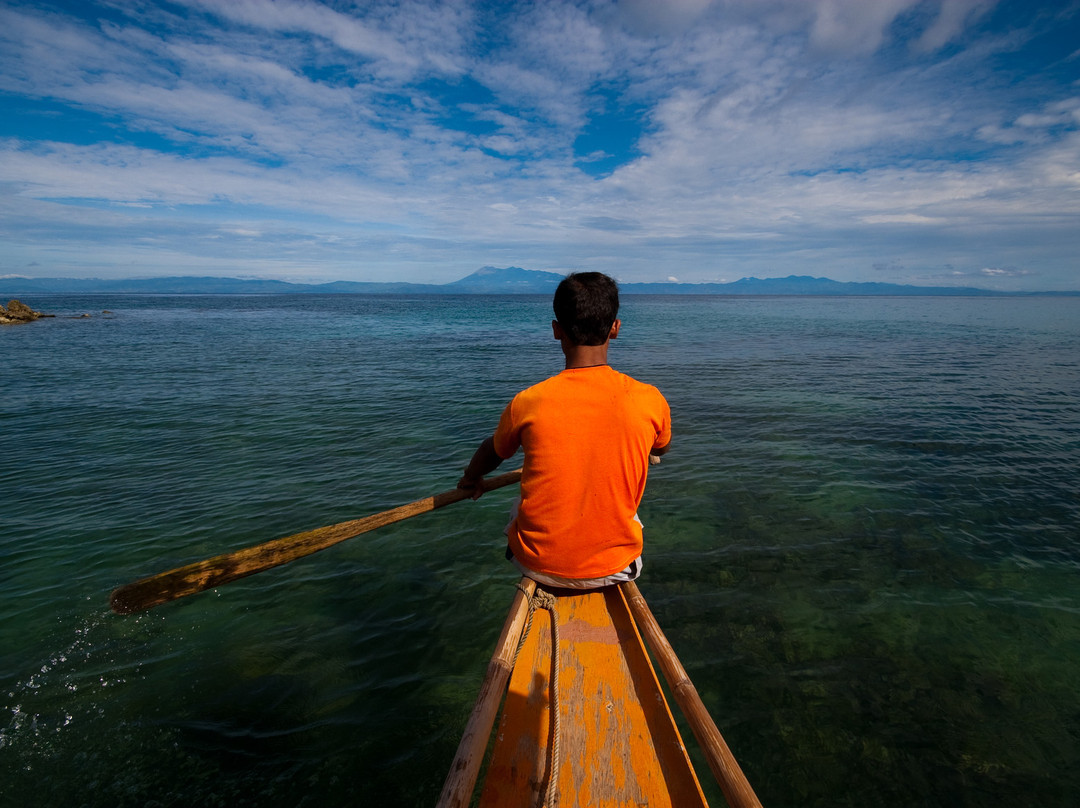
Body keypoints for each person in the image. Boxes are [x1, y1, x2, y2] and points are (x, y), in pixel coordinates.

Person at [457, 271, 671, 589]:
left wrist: (471, 478)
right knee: (631, 513)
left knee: (518, 507)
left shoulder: (528, 401)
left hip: (535, 564)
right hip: (615, 568)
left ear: (556, 330)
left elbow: (493, 450)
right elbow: (661, 447)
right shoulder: (649, 399)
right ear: (615, 328)